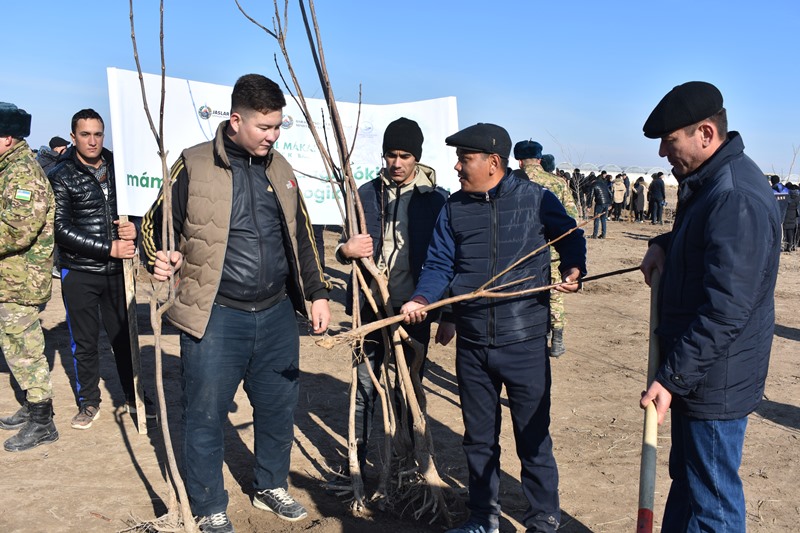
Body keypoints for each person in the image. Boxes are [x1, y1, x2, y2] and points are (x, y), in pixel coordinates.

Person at [141, 73, 331, 533]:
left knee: (277, 406)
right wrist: (159, 256)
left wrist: (318, 293)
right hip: (215, 315)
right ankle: (208, 506)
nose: (273, 135)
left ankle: (270, 485)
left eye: (278, 126)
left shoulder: (281, 168)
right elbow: (153, 224)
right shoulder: (193, 164)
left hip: (276, 314)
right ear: (235, 120)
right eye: (264, 127)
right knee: (205, 411)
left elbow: (303, 236)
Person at [401, 123, 586, 533]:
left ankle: (543, 518)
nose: (457, 167)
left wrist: (575, 267)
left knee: (533, 437)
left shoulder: (536, 199)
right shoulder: (453, 208)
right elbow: (439, 265)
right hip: (473, 343)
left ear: (493, 162)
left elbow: (571, 236)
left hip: (524, 342)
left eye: (465, 159)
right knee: (479, 440)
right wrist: (422, 299)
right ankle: (483, 518)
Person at [639, 81, 781, 532]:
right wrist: (664, 243)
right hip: (698, 374)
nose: (663, 152)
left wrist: (672, 378)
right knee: (692, 483)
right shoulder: (707, 183)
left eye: (670, 140)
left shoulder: (733, 193)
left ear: (705, 132)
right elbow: (704, 246)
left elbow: (726, 308)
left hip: (714, 380)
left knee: (713, 503)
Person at [334, 117, 451, 475]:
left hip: (414, 310)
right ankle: (358, 462)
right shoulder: (364, 195)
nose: (396, 163)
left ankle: (411, 461)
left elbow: (448, 259)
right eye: (390, 155)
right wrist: (344, 251)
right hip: (370, 308)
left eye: (404, 155)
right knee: (365, 385)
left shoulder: (437, 201)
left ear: (417, 157)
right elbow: (344, 246)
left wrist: (447, 318)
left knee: (409, 385)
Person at [47, 109, 149, 430]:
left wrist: (134, 227)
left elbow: (137, 208)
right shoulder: (61, 175)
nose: (92, 141)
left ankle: (134, 398)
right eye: (85, 134)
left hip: (117, 273)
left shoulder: (121, 169)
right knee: (85, 342)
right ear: (74, 136)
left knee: (124, 338)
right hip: (79, 272)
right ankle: (89, 402)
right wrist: (108, 247)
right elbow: (60, 229)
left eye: (98, 134)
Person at [0, 103, 59, 452]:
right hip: (11, 278)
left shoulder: (23, 173)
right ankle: (31, 407)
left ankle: (43, 422)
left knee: (25, 349)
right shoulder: (8, 169)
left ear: (7, 137)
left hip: (23, 281)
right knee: (15, 344)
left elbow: (18, 229)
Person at [514, 140, 579, 358]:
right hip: (551, 252)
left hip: (518, 252)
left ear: (519, 160)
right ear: (540, 160)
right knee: (554, 294)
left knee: (521, 295)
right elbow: (572, 219)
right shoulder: (558, 183)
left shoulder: (512, 180)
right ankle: (558, 339)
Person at [589, 172, 611, 238]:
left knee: (596, 218)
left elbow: (591, 196)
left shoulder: (593, 185)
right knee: (603, 219)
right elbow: (610, 194)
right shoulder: (604, 184)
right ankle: (603, 234)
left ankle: (594, 235)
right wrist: (610, 204)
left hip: (599, 203)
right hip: (606, 203)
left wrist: (589, 206)